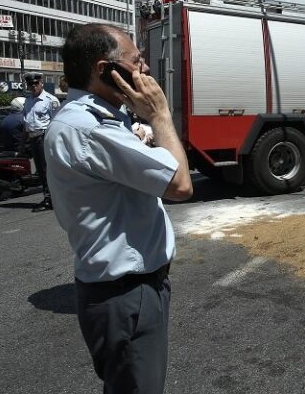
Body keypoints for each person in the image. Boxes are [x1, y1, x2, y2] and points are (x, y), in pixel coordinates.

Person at [45, 23, 193, 393]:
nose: (144, 70)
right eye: (136, 61)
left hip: (129, 291)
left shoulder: (97, 118)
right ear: (103, 70)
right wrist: (159, 116)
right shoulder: (90, 127)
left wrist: (138, 131)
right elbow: (180, 185)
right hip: (128, 294)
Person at [22, 71, 59, 211]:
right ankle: (48, 197)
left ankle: (51, 199)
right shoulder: (28, 100)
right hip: (33, 138)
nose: (33, 86)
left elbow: (56, 123)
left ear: (41, 83)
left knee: (46, 169)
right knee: (41, 171)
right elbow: (27, 125)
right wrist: (21, 145)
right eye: (30, 84)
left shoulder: (51, 100)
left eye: (36, 83)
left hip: (44, 137)